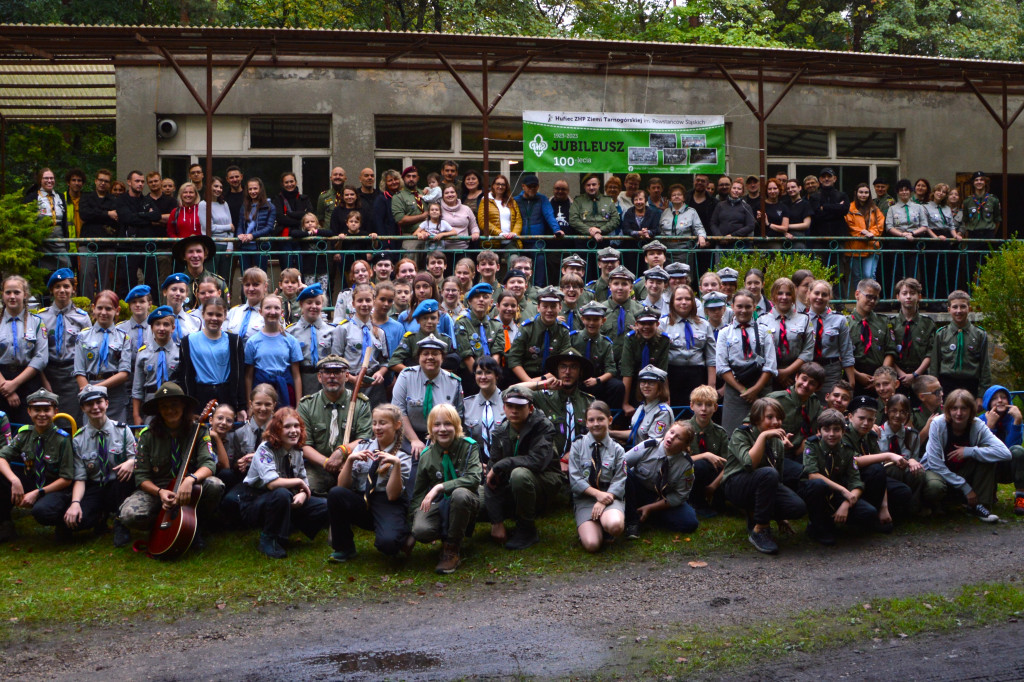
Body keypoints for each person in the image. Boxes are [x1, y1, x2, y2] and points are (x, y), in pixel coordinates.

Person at [117, 382, 225, 550]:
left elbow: (209, 464)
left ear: (183, 406)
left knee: (215, 485)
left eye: (174, 405)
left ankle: (197, 524)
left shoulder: (199, 430)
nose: (170, 410)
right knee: (129, 514)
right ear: (158, 411)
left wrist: (190, 480)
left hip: (190, 487)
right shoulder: (147, 436)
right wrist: (160, 492)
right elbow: (141, 476)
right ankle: (162, 525)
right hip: (159, 488)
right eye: (164, 406)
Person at [327, 403, 414, 562]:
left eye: (383, 423)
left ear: (397, 425)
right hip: (362, 499)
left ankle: (403, 533)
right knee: (336, 494)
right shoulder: (363, 447)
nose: (377, 428)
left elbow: (393, 495)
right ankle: (344, 548)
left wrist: (396, 465)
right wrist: (349, 461)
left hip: (387, 502)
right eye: (374, 423)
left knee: (388, 545)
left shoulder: (403, 455)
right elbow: (342, 486)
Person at [238, 407, 328, 559]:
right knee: (281, 493)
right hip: (256, 502)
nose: (293, 431)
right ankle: (268, 538)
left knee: (324, 505)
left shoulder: (297, 450)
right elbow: (272, 483)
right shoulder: (265, 449)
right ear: (277, 430)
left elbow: (304, 482)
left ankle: (286, 530)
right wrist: (299, 482)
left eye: (296, 426)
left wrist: (303, 495)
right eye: (287, 427)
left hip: (286, 498)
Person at [722, 397, 807, 554]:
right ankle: (760, 529)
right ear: (756, 418)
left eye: (779, 418)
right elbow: (749, 464)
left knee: (798, 507)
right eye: (770, 417)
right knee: (768, 473)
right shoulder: (741, 434)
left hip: (764, 484)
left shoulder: (777, 442)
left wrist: (781, 517)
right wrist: (762, 437)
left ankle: (756, 515)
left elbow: (778, 478)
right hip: (736, 485)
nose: (776, 422)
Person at [484, 385, 562, 550]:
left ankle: (527, 529)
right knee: (478, 498)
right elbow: (491, 472)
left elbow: (537, 461)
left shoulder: (543, 426)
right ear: (504, 408)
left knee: (519, 475)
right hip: (511, 484)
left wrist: (502, 465)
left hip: (544, 481)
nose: (514, 411)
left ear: (530, 408)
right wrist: (496, 522)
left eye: (519, 407)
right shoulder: (500, 431)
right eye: (510, 406)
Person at [409, 403, 482, 574]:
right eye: (437, 424)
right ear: (430, 428)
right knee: (421, 530)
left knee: (459, 494)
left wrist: (440, 487)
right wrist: (411, 529)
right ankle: (446, 531)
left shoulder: (469, 447)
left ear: (456, 426)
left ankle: (451, 548)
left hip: (469, 498)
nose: (442, 429)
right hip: (441, 503)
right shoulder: (427, 455)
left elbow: (473, 479)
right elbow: (418, 493)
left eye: (448, 424)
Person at [923, 389, 1011, 522]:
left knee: (987, 452)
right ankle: (937, 505)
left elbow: (1005, 453)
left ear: (971, 410)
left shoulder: (978, 425)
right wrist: (965, 487)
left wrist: (970, 451)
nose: (959, 413)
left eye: (963, 408)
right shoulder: (938, 424)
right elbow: (934, 463)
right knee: (935, 487)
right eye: (954, 408)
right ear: (948, 410)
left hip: (964, 469)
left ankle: (979, 505)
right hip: (938, 471)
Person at [66, 385, 137, 546]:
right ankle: (99, 517)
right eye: (89, 404)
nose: (95, 407)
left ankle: (121, 522)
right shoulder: (78, 439)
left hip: (118, 486)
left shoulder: (123, 430)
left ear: (107, 403)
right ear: (83, 408)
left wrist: (131, 461)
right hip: (95, 486)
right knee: (78, 522)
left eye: (99, 402)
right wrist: (75, 503)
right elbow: (80, 478)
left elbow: (137, 457)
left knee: (127, 476)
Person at [0, 389, 74, 542]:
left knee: (42, 511)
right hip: (31, 480)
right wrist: (14, 480)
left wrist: (37, 493)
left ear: (55, 412)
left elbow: (66, 479)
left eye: (46, 410)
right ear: (29, 412)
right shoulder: (24, 434)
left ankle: (63, 523)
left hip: (53, 487)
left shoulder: (62, 439)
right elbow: (2, 457)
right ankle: (5, 523)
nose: (42, 414)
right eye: (37, 410)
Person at [798, 408, 878, 545]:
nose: (831, 434)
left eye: (836, 430)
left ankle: (834, 521)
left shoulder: (847, 450)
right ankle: (818, 527)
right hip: (814, 492)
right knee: (818, 485)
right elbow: (813, 475)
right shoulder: (812, 445)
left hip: (836, 494)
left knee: (869, 512)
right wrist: (843, 490)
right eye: (826, 429)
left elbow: (856, 482)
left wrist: (846, 504)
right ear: (819, 431)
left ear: (843, 431)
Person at [623, 420, 699, 539]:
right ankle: (632, 521)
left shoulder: (686, 465)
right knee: (624, 472)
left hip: (661, 499)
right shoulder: (649, 446)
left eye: (678, 438)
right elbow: (622, 463)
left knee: (690, 523)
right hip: (636, 491)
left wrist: (651, 507)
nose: (671, 438)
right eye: (671, 432)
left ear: (685, 445)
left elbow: (680, 495)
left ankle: (649, 515)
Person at [518, 349, 594, 468]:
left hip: (582, 465)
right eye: (563, 366)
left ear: (580, 372)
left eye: (573, 367)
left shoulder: (589, 402)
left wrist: (572, 455)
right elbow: (511, 391)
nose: (567, 372)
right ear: (556, 371)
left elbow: (597, 436)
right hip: (549, 466)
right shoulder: (543, 397)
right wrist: (542, 384)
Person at [845, 395, 913, 527]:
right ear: (850, 417)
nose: (866, 423)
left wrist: (884, 506)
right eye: (861, 418)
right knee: (875, 470)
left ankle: (884, 515)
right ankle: (870, 518)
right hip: (849, 480)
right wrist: (888, 455)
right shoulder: (844, 433)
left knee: (903, 491)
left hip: (869, 479)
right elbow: (854, 461)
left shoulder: (870, 435)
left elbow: (880, 472)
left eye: (870, 419)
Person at [716, 289, 778, 434]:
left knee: (764, 430)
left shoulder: (764, 331)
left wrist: (755, 389)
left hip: (761, 388)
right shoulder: (724, 333)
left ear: (754, 307)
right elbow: (722, 366)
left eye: (748, 307)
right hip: (735, 390)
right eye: (739, 306)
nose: (743, 310)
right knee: (733, 433)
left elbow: (770, 364)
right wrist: (743, 390)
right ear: (732, 306)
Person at [392, 334, 465, 456]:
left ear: (442, 358)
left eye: (435, 354)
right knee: (414, 464)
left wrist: (439, 440)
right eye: (425, 353)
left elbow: (458, 416)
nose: (430, 357)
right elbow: (398, 411)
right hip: (409, 436)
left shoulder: (454, 382)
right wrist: (414, 440)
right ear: (419, 357)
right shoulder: (406, 376)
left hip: (443, 436)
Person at [568, 400, 626, 552]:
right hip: (586, 498)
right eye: (591, 420)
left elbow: (620, 479)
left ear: (610, 420)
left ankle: (607, 525)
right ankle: (592, 527)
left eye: (600, 419)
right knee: (592, 545)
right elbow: (575, 479)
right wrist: (597, 495)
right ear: (586, 423)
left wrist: (604, 499)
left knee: (615, 526)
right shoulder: (577, 445)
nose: (596, 424)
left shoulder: (618, 449)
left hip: (610, 497)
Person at [175, 296, 247, 416]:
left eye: (218, 315)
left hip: (227, 397)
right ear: (203, 314)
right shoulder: (188, 341)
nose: (214, 318)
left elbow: (239, 375)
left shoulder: (234, 341)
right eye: (210, 314)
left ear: (225, 316)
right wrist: (188, 408)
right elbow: (186, 376)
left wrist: (241, 406)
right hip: (200, 397)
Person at [36, 268, 91, 422]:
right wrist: (44, 380)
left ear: (73, 289)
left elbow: (87, 350)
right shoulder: (41, 317)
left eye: (66, 286)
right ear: (51, 290)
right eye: (57, 286)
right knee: (48, 419)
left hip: (72, 374)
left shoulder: (82, 317)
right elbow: (37, 352)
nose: (62, 290)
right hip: (49, 373)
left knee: (73, 420)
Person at [0, 275, 47, 423]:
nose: (12, 296)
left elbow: (41, 357)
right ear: (2, 294)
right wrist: (6, 388)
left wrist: (15, 384)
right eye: (8, 292)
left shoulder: (37, 322)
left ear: (25, 294)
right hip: (1, 380)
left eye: (17, 292)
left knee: (27, 428)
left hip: (28, 381)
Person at [244, 295, 303, 408]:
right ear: (260, 312)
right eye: (268, 308)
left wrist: (299, 405)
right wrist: (249, 404)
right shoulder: (252, 342)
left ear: (281, 312)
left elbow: (296, 375)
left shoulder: (291, 341)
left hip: (285, 391)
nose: (272, 312)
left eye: (276, 308)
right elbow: (248, 376)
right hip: (261, 392)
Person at [931, 290, 991, 398]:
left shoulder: (979, 334)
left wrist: (981, 396)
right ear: (949, 309)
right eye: (955, 307)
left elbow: (985, 367)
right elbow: (934, 366)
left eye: (963, 306)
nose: (959, 311)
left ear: (969, 308)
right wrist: (935, 392)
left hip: (971, 384)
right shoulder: (941, 334)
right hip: (946, 385)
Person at [804, 279, 855, 399]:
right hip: (807, 370)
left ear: (829, 297)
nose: (820, 297)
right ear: (809, 294)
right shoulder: (801, 319)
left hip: (831, 371)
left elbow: (846, 351)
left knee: (829, 403)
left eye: (824, 294)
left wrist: (851, 381)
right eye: (816, 293)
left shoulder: (839, 319)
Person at [507, 286, 571, 382]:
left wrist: (542, 380)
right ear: (538, 307)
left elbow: (564, 361)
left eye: (553, 306)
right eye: (545, 306)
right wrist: (530, 382)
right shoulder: (527, 328)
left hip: (553, 377)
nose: (549, 310)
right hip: (526, 377)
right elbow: (514, 359)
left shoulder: (563, 331)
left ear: (560, 308)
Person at [569, 301, 623, 409]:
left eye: (596, 319)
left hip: (596, 380)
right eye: (588, 319)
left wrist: (597, 380)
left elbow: (611, 369)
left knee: (617, 386)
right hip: (575, 380)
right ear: (582, 319)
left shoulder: (606, 343)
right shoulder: (573, 338)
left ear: (603, 321)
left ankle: (609, 415)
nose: (591, 323)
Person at [847, 279, 896, 396]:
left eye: (875, 298)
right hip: (853, 375)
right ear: (857, 294)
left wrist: (879, 378)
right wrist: (857, 375)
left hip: (879, 379)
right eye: (869, 296)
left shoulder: (884, 322)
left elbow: (890, 351)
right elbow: (840, 354)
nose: (872, 301)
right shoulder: (845, 323)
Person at [131, 306, 179, 424]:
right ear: (152, 328)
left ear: (173, 328)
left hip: (174, 402)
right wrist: (136, 415)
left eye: (166, 324)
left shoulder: (180, 352)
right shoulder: (143, 353)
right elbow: (137, 387)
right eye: (157, 324)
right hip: (151, 401)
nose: (161, 328)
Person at [980, 385, 1024, 514]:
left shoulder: (1013, 418)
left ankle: (1021, 497)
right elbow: (983, 448)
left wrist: (1017, 422)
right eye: (994, 398)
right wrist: (990, 426)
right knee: (986, 452)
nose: (999, 400)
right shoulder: (981, 420)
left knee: (1018, 450)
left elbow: (1010, 449)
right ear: (988, 402)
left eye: (1003, 397)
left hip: (1009, 467)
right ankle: (989, 494)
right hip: (990, 467)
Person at [686, 385, 729, 515]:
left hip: (714, 477)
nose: (703, 409)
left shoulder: (720, 433)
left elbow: (728, 464)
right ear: (692, 406)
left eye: (709, 405)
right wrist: (705, 455)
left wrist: (713, 486)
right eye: (699, 404)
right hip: (688, 476)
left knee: (721, 505)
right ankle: (695, 503)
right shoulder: (683, 430)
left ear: (715, 407)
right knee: (700, 465)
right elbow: (677, 459)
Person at [762, 277, 812, 390]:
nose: (784, 297)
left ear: (793, 297)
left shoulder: (804, 319)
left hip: (797, 375)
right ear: (773, 296)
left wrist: (786, 372)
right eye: (780, 293)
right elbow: (760, 351)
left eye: (788, 294)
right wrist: (776, 373)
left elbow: (808, 351)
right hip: (769, 376)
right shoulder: (762, 320)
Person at [890, 278, 935, 394]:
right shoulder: (891, 323)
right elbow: (888, 351)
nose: (908, 297)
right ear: (898, 297)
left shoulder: (927, 323)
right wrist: (901, 374)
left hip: (921, 375)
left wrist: (915, 374)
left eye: (912, 293)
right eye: (904, 293)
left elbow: (930, 353)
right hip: (897, 376)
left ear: (919, 297)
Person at [78, 169, 119, 296]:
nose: (103, 183)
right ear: (95, 181)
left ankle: (105, 303)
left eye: (106, 181)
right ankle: (86, 304)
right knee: (86, 275)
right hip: (87, 243)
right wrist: (107, 213)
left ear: (109, 184)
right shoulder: (86, 197)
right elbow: (85, 214)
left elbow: (116, 219)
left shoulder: (114, 200)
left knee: (105, 280)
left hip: (107, 244)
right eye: (100, 180)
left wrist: (96, 214)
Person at [611, 364, 672, 449]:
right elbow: (636, 434)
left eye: (651, 383)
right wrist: (610, 433)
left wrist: (629, 455)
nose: (646, 386)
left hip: (650, 456)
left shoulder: (662, 412)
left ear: (660, 387)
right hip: (640, 454)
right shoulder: (642, 408)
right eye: (643, 382)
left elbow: (652, 444)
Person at [462, 356, 505, 467]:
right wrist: (476, 464)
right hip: (475, 462)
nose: (483, 377)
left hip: (504, 460)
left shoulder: (508, 403)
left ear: (496, 375)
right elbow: (462, 439)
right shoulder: (466, 405)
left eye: (488, 372)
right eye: (479, 373)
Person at [845, 183, 885, 290]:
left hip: (871, 246)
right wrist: (863, 232)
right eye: (861, 192)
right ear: (856, 193)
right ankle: (859, 298)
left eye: (866, 192)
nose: (863, 195)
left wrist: (871, 232)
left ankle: (871, 297)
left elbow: (880, 224)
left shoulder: (875, 209)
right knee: (857, 276)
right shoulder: (850, 208)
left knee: (869, 275)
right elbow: (849, 225)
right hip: (855, 247)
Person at [271, 172, 313, 271]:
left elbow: (309, 215)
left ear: (296, 182)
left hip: (302, 239)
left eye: (291, 181)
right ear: (282, 184)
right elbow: (280, 218)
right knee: (287, 270)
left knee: (301, 270)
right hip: (285, 239)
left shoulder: (304, 198)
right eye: (286, 182)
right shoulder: (277, 199)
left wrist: (289, 214)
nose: (289, 184)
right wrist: (300, 218)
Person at [569, 174, 620, 255]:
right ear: (584, 186)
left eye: (594, 184)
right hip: (583, 241)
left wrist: (601, 230)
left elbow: (615, 219)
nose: (591, 187)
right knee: (584, 263)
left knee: (603, 263)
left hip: (603, 239)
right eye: (588, 185)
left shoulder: (608, 200)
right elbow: (573, 220)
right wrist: (590, 231)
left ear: (599, 185)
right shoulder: (578, 201)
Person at [174, 235, 229, 309]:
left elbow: (226, 311)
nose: (195, 255)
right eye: (190, 252)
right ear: (184, 256)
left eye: (199, 251)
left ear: (205, 254)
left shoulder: (219, 283)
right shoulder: (175, 285)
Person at [237, 177, 276, 272]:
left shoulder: (270, 207)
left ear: (260, 189)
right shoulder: (244, 206)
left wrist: (252, 235)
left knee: (260, 276)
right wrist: (240, 234)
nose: (252, 191)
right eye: (250, 189)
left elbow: (269, 227)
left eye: (255, 188)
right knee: (245, 276)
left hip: (260, 246)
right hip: (244, 246)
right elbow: (240, 224)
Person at [391, 166, 430, 253]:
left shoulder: (425, 194)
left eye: (414, 176)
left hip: (430, 234)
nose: (411, 179)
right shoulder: (399, 196)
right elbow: (400, 219)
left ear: (418, 178)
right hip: (411, 236)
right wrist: (423, 216)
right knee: (410, 259)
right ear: (403, 178)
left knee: (434, 259)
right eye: (408, 176)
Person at [709, 179, 756, 243]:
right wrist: (719, 237)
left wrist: (733, 236)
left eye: (739, 189)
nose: (736, 190)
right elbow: (713, 223)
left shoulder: (746, 207)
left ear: (743, 192)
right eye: (734, 188)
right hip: (721, 243)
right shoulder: (720, 205)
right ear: (730, 190)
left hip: (739, 243)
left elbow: (750, 226)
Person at [808, 167, 849, 238]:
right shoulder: (814, 197)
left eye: (829, 176)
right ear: (820, 180)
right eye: (824, 177)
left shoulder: (842, 195)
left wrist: (824, 207)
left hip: (839, 236)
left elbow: (844, 210)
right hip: (819, 237)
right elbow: (816, 215)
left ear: (835, 178)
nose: (826, 179)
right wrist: (837, 207)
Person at [160, 272, 200, 343]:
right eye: (174, 289)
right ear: (165, 292)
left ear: (186, 294)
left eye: (182, 291)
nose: (178, 293)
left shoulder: (196, 322)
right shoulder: (156, 322)